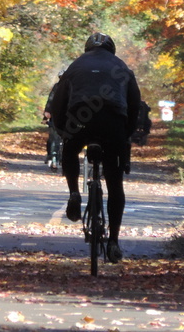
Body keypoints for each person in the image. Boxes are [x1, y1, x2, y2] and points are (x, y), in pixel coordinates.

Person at [49, 32, 141, 263]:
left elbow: (58, 102)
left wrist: (62, 131)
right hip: (113, 122)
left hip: (80, 120)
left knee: (70, 149)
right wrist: (126, 134)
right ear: (112, 49)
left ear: (87, 48)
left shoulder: (75, 66)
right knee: (115, 182)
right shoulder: (122, 67)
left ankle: (73, 193)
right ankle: (114, 242)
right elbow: (135, 104)